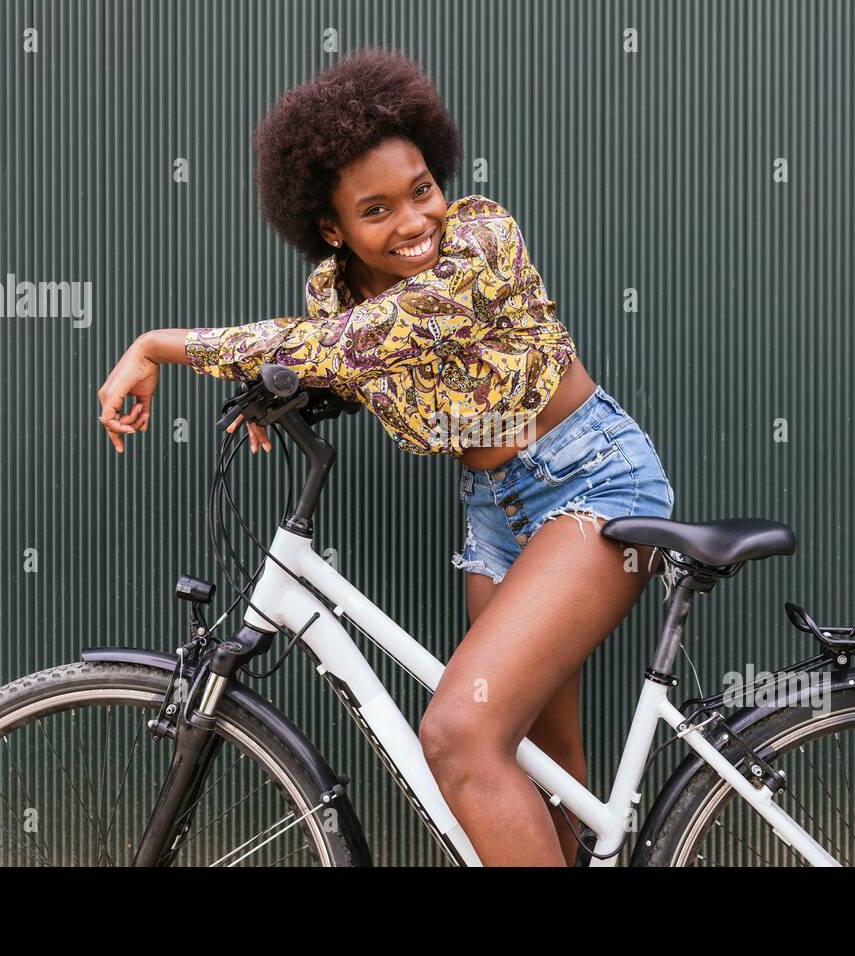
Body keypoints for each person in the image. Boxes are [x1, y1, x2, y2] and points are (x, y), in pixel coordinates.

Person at [96, 47, 675, 866]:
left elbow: (363, 342)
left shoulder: (481, 240)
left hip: (593, 483)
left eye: (421, 190)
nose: (414, 222)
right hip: (498, 513)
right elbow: (358, 360)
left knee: (460, 733)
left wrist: (159, 344)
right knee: (532, 763)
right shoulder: (336, 296)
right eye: (377, 211)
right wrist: (291, 393)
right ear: (332, 228)